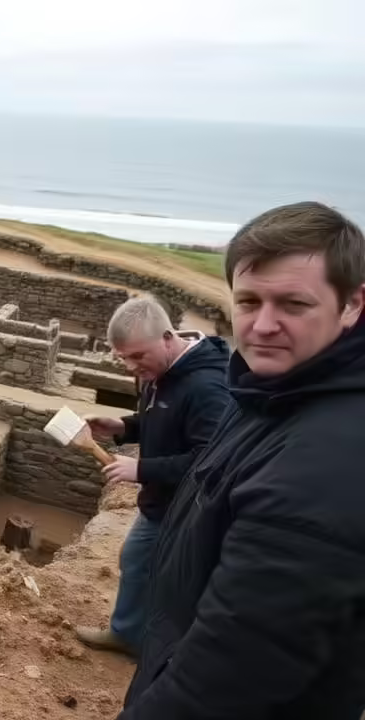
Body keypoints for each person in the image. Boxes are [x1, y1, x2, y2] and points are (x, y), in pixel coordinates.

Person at [119, 201, 365, 719]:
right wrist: (126, 428)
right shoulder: (269, 389)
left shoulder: (328, 465)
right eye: (248, 300)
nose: (263, 325)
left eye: (293, 304)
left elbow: (228, 675)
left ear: (351, 305)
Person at [73, 296, 231, 655]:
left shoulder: (207, 388)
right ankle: (130, 635)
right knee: (137, 561)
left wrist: (141, 469)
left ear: (167, 337)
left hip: (190, 510)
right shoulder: (161, 372)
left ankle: (163, 649)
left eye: (137, 356)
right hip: (163, 500)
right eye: (122, 357)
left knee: (172, 579)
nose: (131, 366)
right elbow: (164, 421)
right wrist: (123, 427)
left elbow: (213, 460)